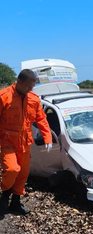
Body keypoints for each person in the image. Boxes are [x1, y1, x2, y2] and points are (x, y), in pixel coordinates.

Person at [0, 69, 52, 219]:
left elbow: (41, 119)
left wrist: (47, 137)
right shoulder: (4, 97)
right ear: (20, 82)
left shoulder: (34, 99)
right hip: (7, 142)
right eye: (29, 86)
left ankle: (15, 202)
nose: (31, 89)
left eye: (33, 87)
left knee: (23, 174)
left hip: (25, 143)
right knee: (11, 169)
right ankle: (5, 195)